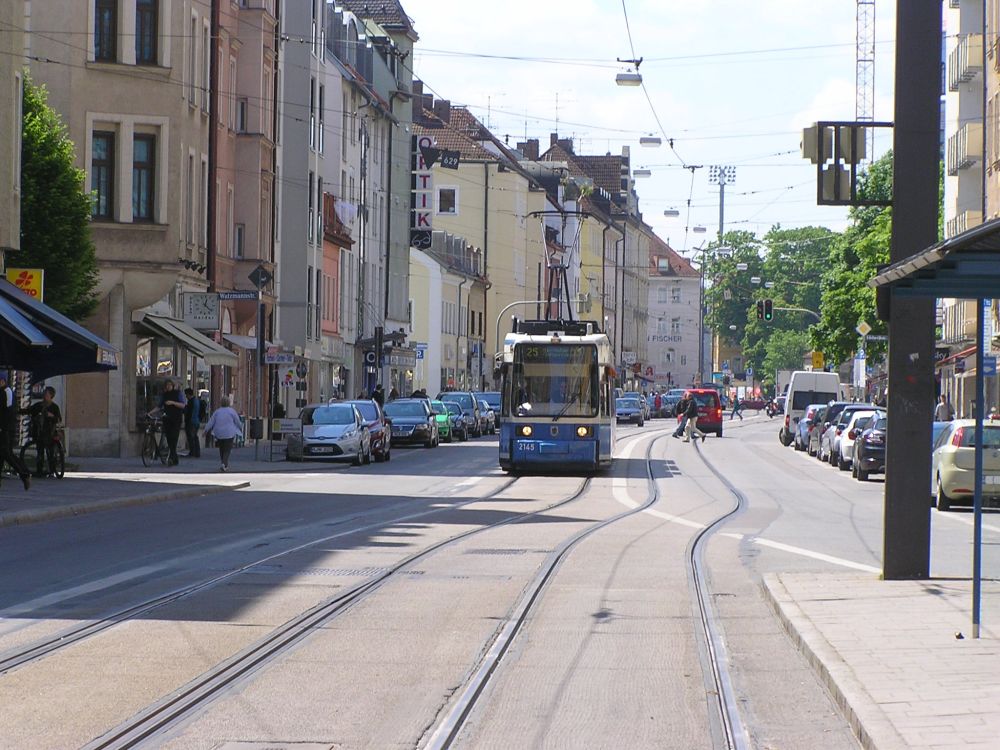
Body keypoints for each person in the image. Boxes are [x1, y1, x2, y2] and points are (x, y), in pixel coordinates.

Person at [0, 372, 31, 489]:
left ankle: (24, 475)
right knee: (3, 454)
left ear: (3, 381)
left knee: (6, 454)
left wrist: (3, 427)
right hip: (4, 428)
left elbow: (8, 412)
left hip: (6, 429)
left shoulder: (7, 392)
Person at [23, 386, 61, 477]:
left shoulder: (54, 407)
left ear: (51, 395)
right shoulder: (39, 405)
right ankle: (39, 470)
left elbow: (59, 419)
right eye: (44, 393)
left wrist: (52, 416)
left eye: (46, 394)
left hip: (50, 433)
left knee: (50, 452)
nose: (44, 395)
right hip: (39, 432)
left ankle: (52, 470)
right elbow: (29, 411)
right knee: (40, 452)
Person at [203, 395, 243, 472]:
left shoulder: (217, 412)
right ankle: (224, 463)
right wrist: (240, 428)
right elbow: (237, 421)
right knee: (227, 449)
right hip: (229, 433)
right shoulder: (231, 411)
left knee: (221, 448)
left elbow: (211, 421)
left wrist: (206, 430)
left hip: (219, 433)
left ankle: (223, 463)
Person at [157, 380, 186, 466]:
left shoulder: (178, 393)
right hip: (167, 419)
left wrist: (172, 403)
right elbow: (159, 406)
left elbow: (183, 405)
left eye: (170, 385)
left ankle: (171, 458)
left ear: (173, 386)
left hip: (176, 419)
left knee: (174, 437)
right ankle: (174, 458)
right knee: (169, 439)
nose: (168, 386)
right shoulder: (164, 395)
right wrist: (150, 413)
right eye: (167, 385)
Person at [182, 387, 201, 458]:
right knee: (195, 437)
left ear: (188, 394)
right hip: (196, 421)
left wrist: (184, 411)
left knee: (191, 437)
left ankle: (193, 452)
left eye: (186, 395)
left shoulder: (191, 402)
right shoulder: (197, 400)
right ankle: (197, 452)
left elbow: (189, 413)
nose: (186, 396)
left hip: (191, 422)